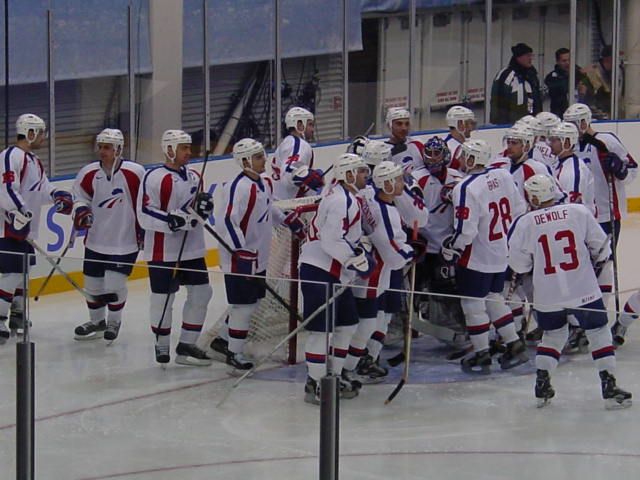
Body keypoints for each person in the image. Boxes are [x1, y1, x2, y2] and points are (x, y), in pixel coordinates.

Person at [508, 173, 631, 410]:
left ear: (532, 196)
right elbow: (602, 248)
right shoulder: (578, 211)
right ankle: (608, 383)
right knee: (597, 331)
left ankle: (542, 382)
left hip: (547, 293)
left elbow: (519, 265)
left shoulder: (524, 223)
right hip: (583, 287)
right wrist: (595, 261)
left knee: (553, 335)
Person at [211, 138, 300, 370]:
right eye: (259, 156)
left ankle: (223, 339)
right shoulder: (236, 187)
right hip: (239, 258)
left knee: (255, 300)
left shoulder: (264, 183)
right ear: (244, 161)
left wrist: (287, 219)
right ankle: (234, 353)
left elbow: (269, 206)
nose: (265, 160)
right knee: (244, 306)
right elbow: (227, 222)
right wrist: (240, 252)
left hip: (258, 256)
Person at [442, 139, 527, 374]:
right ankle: (514, 343)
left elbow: (466, 230)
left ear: (471, 159)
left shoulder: (466, 187)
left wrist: (452, 248)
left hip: (476, 256)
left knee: (472, 304)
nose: (461, 160)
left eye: (465, 156)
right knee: (493, 297)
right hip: (501, 252)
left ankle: (482, 353)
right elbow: (519, 210)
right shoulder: (504, 176)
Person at [299, 153, 374, 404]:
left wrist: (357, 252)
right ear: (348, 175)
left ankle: (334, 374)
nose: (366, 175)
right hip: (319, 269)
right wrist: (353, 259)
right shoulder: (342, 201)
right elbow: (331, 240)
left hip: (335, 271)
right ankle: (316, 382)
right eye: (361, 171)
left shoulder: (346, 197)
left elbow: (344, 236)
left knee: (348, 323)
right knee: (320, 331)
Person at [137, 129, 214, 366]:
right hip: (163, 250)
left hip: (192, 248)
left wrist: (203, 210)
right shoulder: (154, 177)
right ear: (169, 149)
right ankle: (161, 343)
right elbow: (144, 211)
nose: (189, 153)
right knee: (163, 299)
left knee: (202, 292)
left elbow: (197, 212)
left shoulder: (194, 176)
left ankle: (187, 345)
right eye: (184, 148)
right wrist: (171, 220)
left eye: (189, 148)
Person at [343, 160, 419, 384]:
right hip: (373, 272)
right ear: (385, 184)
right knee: (366, 322)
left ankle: (356, 362)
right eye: (396, 180)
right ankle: (348, 367)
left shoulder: (371, 198)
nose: (401, 184)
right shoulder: (385, 211)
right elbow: (390, 249)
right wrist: (411, 253)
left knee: (374, 319)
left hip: (374, 270)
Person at [0, 113, 73, 343]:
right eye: (41, 132)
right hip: (7, 227)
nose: (43, 137)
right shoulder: (11, 155)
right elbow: (5, 188)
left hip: (24, 228)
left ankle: (18, 314)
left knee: (22, 272)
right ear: (30, 133)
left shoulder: (33, 160)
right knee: (11, 273)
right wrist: (19, 211)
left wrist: (57, 195)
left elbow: (42, 188)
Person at [72, 129, 145, 343]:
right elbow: (79, 197)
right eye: (100, 146)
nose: (102, 151)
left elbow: (147, 202)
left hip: (125, 241)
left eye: (107, 147)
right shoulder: (88, 172)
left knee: (114, 284)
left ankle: (114, 320)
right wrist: (81, 210)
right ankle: (97, 322)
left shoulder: (135, 172)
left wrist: (146, 232)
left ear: (118, 149)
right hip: (96, 240)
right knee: (92, 286)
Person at [412, 136, 467, 351]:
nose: (432, 159)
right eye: (429, 154)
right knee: (415, 291)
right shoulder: (417, 178)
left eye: (437, 154)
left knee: (447, 291)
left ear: (446, 156)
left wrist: (457, 197)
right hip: (424, 245)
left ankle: (458, 331)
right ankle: (400, 329)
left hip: (448, 246)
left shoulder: (458, 179)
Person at [271, 106, 323, 200]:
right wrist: (305, 176)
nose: (313, 130)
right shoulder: (298, 144)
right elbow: (288, 172)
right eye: (310, 125)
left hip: (278, 201)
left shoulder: (287, 142)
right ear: (299, 125)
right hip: (286, 207)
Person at [490, 43, 542, 124]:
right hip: (510, 124)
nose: (531, 58)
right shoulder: (506, 75)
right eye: (528, 55)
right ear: (519, 57)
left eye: (532, 55)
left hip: (531, 123)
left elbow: (537, 99)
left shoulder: (532, 75)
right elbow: (498, 103)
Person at [544, 48, 585, 117]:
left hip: (578, 112)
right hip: (560, 114)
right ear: (558, 62)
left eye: (569, 60)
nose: (567, 63)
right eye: (564, 61)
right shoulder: (551, 77)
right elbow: (562, 88)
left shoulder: (578, 74)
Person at [384, 107, 424, 174]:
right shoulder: (382, 151)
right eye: (399, 124)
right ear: (389, 125)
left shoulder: (417, 144)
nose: (404, 128)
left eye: (407, 124)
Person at [580, 45, 614, 118]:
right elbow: (584, 95)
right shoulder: (593, 73)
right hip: (597, 114)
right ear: (608, 59)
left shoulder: (615, 72)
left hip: (611, 112)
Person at [444, 105, 476, 171]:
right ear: (459, 123)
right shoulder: (448, 148)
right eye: (468, 123)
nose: (471, 128)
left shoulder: (464, 145)